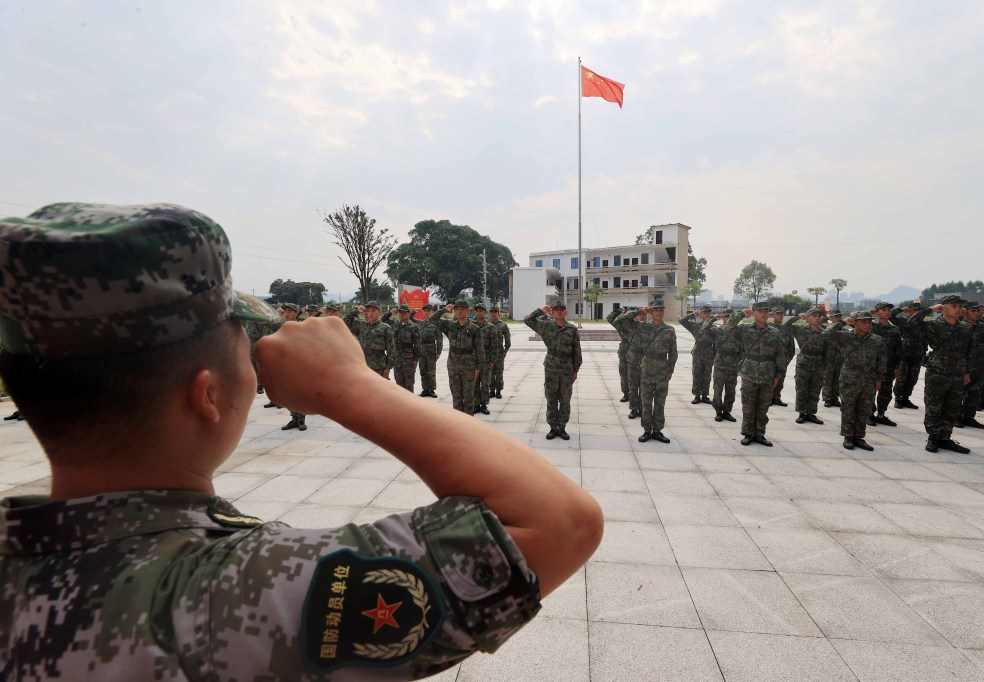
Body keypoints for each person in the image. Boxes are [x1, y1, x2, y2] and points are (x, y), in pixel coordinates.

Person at [0, 202, 605, 680]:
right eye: (247, 346)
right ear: (207, 395)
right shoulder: (240, 589)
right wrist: (350, 386)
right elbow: (556, 522)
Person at [904, 295, 974, 454]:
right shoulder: (934, 326)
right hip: (938, 371)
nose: (958, 309)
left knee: (953, 406)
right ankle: (933, 438)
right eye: (954, 306)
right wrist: (930, 309)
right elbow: (911, 323)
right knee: (934, 405)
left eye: (959, 306)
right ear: (944, 307)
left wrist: (967, 371)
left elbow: (968, 351)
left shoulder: (966, 328)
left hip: (958, 371)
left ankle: (945, 438)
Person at [824, 312, 886, 451]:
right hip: (849, 379)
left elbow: (882, 361)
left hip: (869, 379)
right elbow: (827, 334)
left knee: (864, 409)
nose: (867, 324)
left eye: (869, 322)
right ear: (855, 322)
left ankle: (859, 437)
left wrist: (879, 379)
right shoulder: (845, 336)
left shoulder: (877, 340)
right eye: (863, 322)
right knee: (848, 408)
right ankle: (848, 436)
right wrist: (843, 322)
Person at [524, 301, 582, 440]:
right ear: (553, 312)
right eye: (556, 309)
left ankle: (562, 428)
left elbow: (577, 351)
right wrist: (541, 310)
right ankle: (553, 428)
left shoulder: (572, 329)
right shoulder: (546, 326)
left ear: (566, 312)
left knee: (565, 400)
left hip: (567, 368)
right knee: (551, 398)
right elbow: (528, 320)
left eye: (562, 309)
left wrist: (576, 370)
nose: (559, 311)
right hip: (551, 367)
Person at [736, 303, 787, 446]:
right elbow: (728, 328)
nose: (764, 314)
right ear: (754, 313)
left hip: (767, 375)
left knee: (763, 407)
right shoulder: (745, 329)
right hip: (749, 374)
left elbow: (780, 356)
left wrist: (778, 376)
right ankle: (748, 434)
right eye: (760, 311)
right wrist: (741, 315)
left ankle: (760, 434)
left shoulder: (775, 332)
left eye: (766, 311)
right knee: (748, 406)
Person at [628, 302, 678, 443]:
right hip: (647, 371)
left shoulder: (669, 330)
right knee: (646, 402)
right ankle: (646, 430)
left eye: (661, 309)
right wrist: (639, 310)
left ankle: (657, 431)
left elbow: (673, 352)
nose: (658, 312)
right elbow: (622, 320)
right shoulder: (643, 327)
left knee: (660, 403)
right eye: (655, 309)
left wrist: (670, 369)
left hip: (662, 371)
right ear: (651, 311)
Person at [430, 301, 483, 415]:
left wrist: (478, 368)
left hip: (468, 366)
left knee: (468, 397)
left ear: (468, 310)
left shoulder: (474, 328)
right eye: (457, 308)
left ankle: (469, 425)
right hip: (453, 366)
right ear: (454, 310)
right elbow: (432, 319)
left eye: (462, 308)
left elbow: (480, 350)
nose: (459, 310)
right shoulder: (450, 325)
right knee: (456, 396)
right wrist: (444, 310)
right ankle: (459, 424)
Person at [703, 309, 743, 423]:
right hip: (720, 364)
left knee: (731, 390)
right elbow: (704, 328)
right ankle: (718, 411)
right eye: (726, 316)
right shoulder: (717, 330)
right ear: (722, 317)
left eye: (730, 316)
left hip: (734, 363)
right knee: (718, 389)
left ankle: (727, 411)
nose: (728, 319)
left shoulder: (739, 330)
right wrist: (713, 318)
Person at [867, 302, 902, 427]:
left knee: (886, 391)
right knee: (870, 391)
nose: (887, 312)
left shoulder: (895, 329)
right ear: (877, 312)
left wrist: (897, 366)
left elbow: (899, 349)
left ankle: (881, 415)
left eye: (889, 310)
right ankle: (869, 415)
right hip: (872, 365)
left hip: (889, 365)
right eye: (884, 310)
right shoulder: (870, 327)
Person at [343, 301, 397, 382]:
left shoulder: (385, 328)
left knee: (379, 391)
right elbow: (345, 320)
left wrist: (388, 368)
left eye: (373, 310)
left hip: (379, 366)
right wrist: (357, 311)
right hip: (363, 364)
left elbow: (391, 350)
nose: (370, 313)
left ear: (379, 312)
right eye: (368, 311)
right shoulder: (361, 325)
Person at [791, 309, 828, 425]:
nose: (817, 318)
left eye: (819, 316)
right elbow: (785, 326)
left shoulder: (824, 332)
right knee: (802, 389)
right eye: (814, 316)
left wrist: (826, 366)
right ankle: (801, 413)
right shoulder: (800, 330)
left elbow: (827, 350)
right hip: (804, 364)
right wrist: (797, 316)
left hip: (818, 364)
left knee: (815, 390)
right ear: (807, 318)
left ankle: (811, 413)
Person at [957, 301, 984, 429]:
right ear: (965, 312)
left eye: (978, 311)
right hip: (963, 366)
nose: (976, 313)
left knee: (975, 394)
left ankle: (969, 417)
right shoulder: (960, 327)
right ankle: (956, 417)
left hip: (979, 365)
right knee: (959, 393)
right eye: (973, 311)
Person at [613, 306, 648, 419]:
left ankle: (642, 409)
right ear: (636, 316)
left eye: (644, 314)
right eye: (640, 314)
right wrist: (637, 311)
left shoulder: (650, 327)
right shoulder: (631, 326)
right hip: (632, 361)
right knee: (633, 387)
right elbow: (618, 320)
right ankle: (634, 409)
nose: (643, 316)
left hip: (646, 362)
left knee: (644, 387)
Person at [279, 302, 309, 431]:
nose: (286, 313)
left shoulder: (302, 327)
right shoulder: (281, 326)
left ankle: (301, 419)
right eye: (285, 311)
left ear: (296, 313)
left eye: (290, 311)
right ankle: (294, 418)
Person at [893, 301, 928, 409]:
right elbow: (891, 316)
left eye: (919, 311)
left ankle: (906, 398)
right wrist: (901, 310)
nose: (917, 313)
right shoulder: (904, 322)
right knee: (902, 378)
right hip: (905, 354)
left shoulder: (924, 324)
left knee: (912, 378)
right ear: (909, 311)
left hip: (918, 355)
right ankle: (898, 399)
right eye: (914, 310)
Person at [680, 305, 715, 405]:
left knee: (707, 375)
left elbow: (716, 343)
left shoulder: (713, 327)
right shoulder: (695, 325)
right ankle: (696, 395)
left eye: (709, 312)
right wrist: (692, 314)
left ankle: (705, 396)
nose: (707, 314)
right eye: (705, 312)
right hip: (698, 353)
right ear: (700, 314)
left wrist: (715, 355)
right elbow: (682, 321)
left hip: (709, 352)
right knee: (696, 374)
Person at [381, 305, 421, 393]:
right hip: (397, 359)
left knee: (409, 384)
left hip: (408, 360)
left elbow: (417, 344)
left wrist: (416, 360)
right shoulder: (394, 324)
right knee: (399, 385)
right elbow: (383, 320)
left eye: (404, 312)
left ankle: (410, 404)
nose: (402, 314)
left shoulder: (414, 327)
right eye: (400, 312)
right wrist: (391, 312)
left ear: (408, 314)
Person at [472, 303, 500, 415]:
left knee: (485, 383)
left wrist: (492, 360)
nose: (479, 313)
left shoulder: (490, 327)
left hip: (486, 359)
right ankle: (476, 404)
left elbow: (495, 345)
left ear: (485, 312)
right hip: (474, 359)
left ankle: (484, 404)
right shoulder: (471, 325)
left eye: (481, 311)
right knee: (474, 382)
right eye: (477, 311)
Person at [767, 307, 796, 407]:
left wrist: (790, 357)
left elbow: (791, 344)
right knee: (770, 379)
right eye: (777, 314)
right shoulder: (769, 327)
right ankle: (768, 398)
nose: (780, 316)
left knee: (780, 379)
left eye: (781, 314)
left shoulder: (786, 328)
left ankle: (776, 398)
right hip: (771, 359)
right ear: (773, 315)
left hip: (783, 359)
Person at [415, 303, 443, 398]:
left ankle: (432, 389)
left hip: (431, 350)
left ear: (433, 312)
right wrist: (414, 312)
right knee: (422, 371)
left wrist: (438, 352)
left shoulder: (435, 324)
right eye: (425, 311)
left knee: (431, 371)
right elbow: (410, 319)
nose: (426, 312)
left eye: (428, 311)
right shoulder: (420, 323)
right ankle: (425, 389)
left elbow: (439, 339)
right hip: (421, 350)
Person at [607, 306, 631, 402]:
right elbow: (609, 318)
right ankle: (626, 394)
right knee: (624, 374)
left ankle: (636, 395)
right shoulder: (621, 325)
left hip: (639, 354)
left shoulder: (640, 325)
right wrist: (619, 310)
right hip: (624, 353)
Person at [821, 310, 844, 407]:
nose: (838, 319)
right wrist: (827, 317)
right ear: (831, 318)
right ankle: (827, 399)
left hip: (840, 359)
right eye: (835, 317)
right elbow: (821, 321)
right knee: (827, 380)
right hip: (828, 359)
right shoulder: (827, 329)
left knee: (837, 380)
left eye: (839, 317)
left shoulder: (843, 331)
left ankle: (835, 398)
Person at [489, 305, 511, 399]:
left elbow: (507, 340)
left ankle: (498, 391)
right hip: (488, 353)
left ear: (499, 313)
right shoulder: (486, 324)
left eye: (495, 312)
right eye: (492, 312)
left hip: (499, 353)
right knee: (490, 373)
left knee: (499, 373)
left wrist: (505, 351)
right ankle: (491, 390)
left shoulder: (503, 325)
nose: (493, 314)